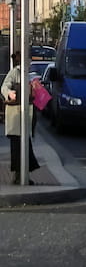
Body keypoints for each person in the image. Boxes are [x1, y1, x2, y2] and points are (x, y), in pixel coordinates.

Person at [2, 53, 40, 182]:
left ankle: (21, 175)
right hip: (17, 117)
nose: (30, 62)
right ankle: (20, 176)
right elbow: (4, 86)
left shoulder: (27, 74)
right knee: (19, 147)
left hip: (23, 117)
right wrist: (9, 93)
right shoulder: (15, 72)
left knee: (23, 147)